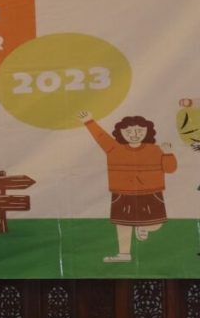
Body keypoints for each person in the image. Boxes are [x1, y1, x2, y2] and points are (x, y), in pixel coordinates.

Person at [76, 111, 177, 262]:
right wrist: (89, 121)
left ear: (148, 132)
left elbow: (170, 169)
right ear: (121, 133)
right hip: (122, 193)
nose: (134, 135)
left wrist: (168, 154)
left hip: (151, 193)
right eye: (128, 132)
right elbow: (101, 137)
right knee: (122, 224)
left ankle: (143, 227)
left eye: (139, 131)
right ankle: (124, 254)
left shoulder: (156, 150)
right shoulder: (114, 149)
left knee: (156, 223)